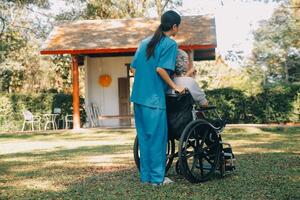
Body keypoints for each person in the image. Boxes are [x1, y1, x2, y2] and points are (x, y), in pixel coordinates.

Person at [130, 10, 184, 186]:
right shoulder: (170, 44)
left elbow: (134, 69)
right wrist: (176, 87)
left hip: (138, 97)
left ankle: (146, 178)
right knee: (157, 139)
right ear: (174, 26)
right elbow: (160, 69)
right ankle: (157, 179)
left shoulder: (144, 42)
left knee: (144, 138)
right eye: (178, 27)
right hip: (154, 100)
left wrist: (145, 80)